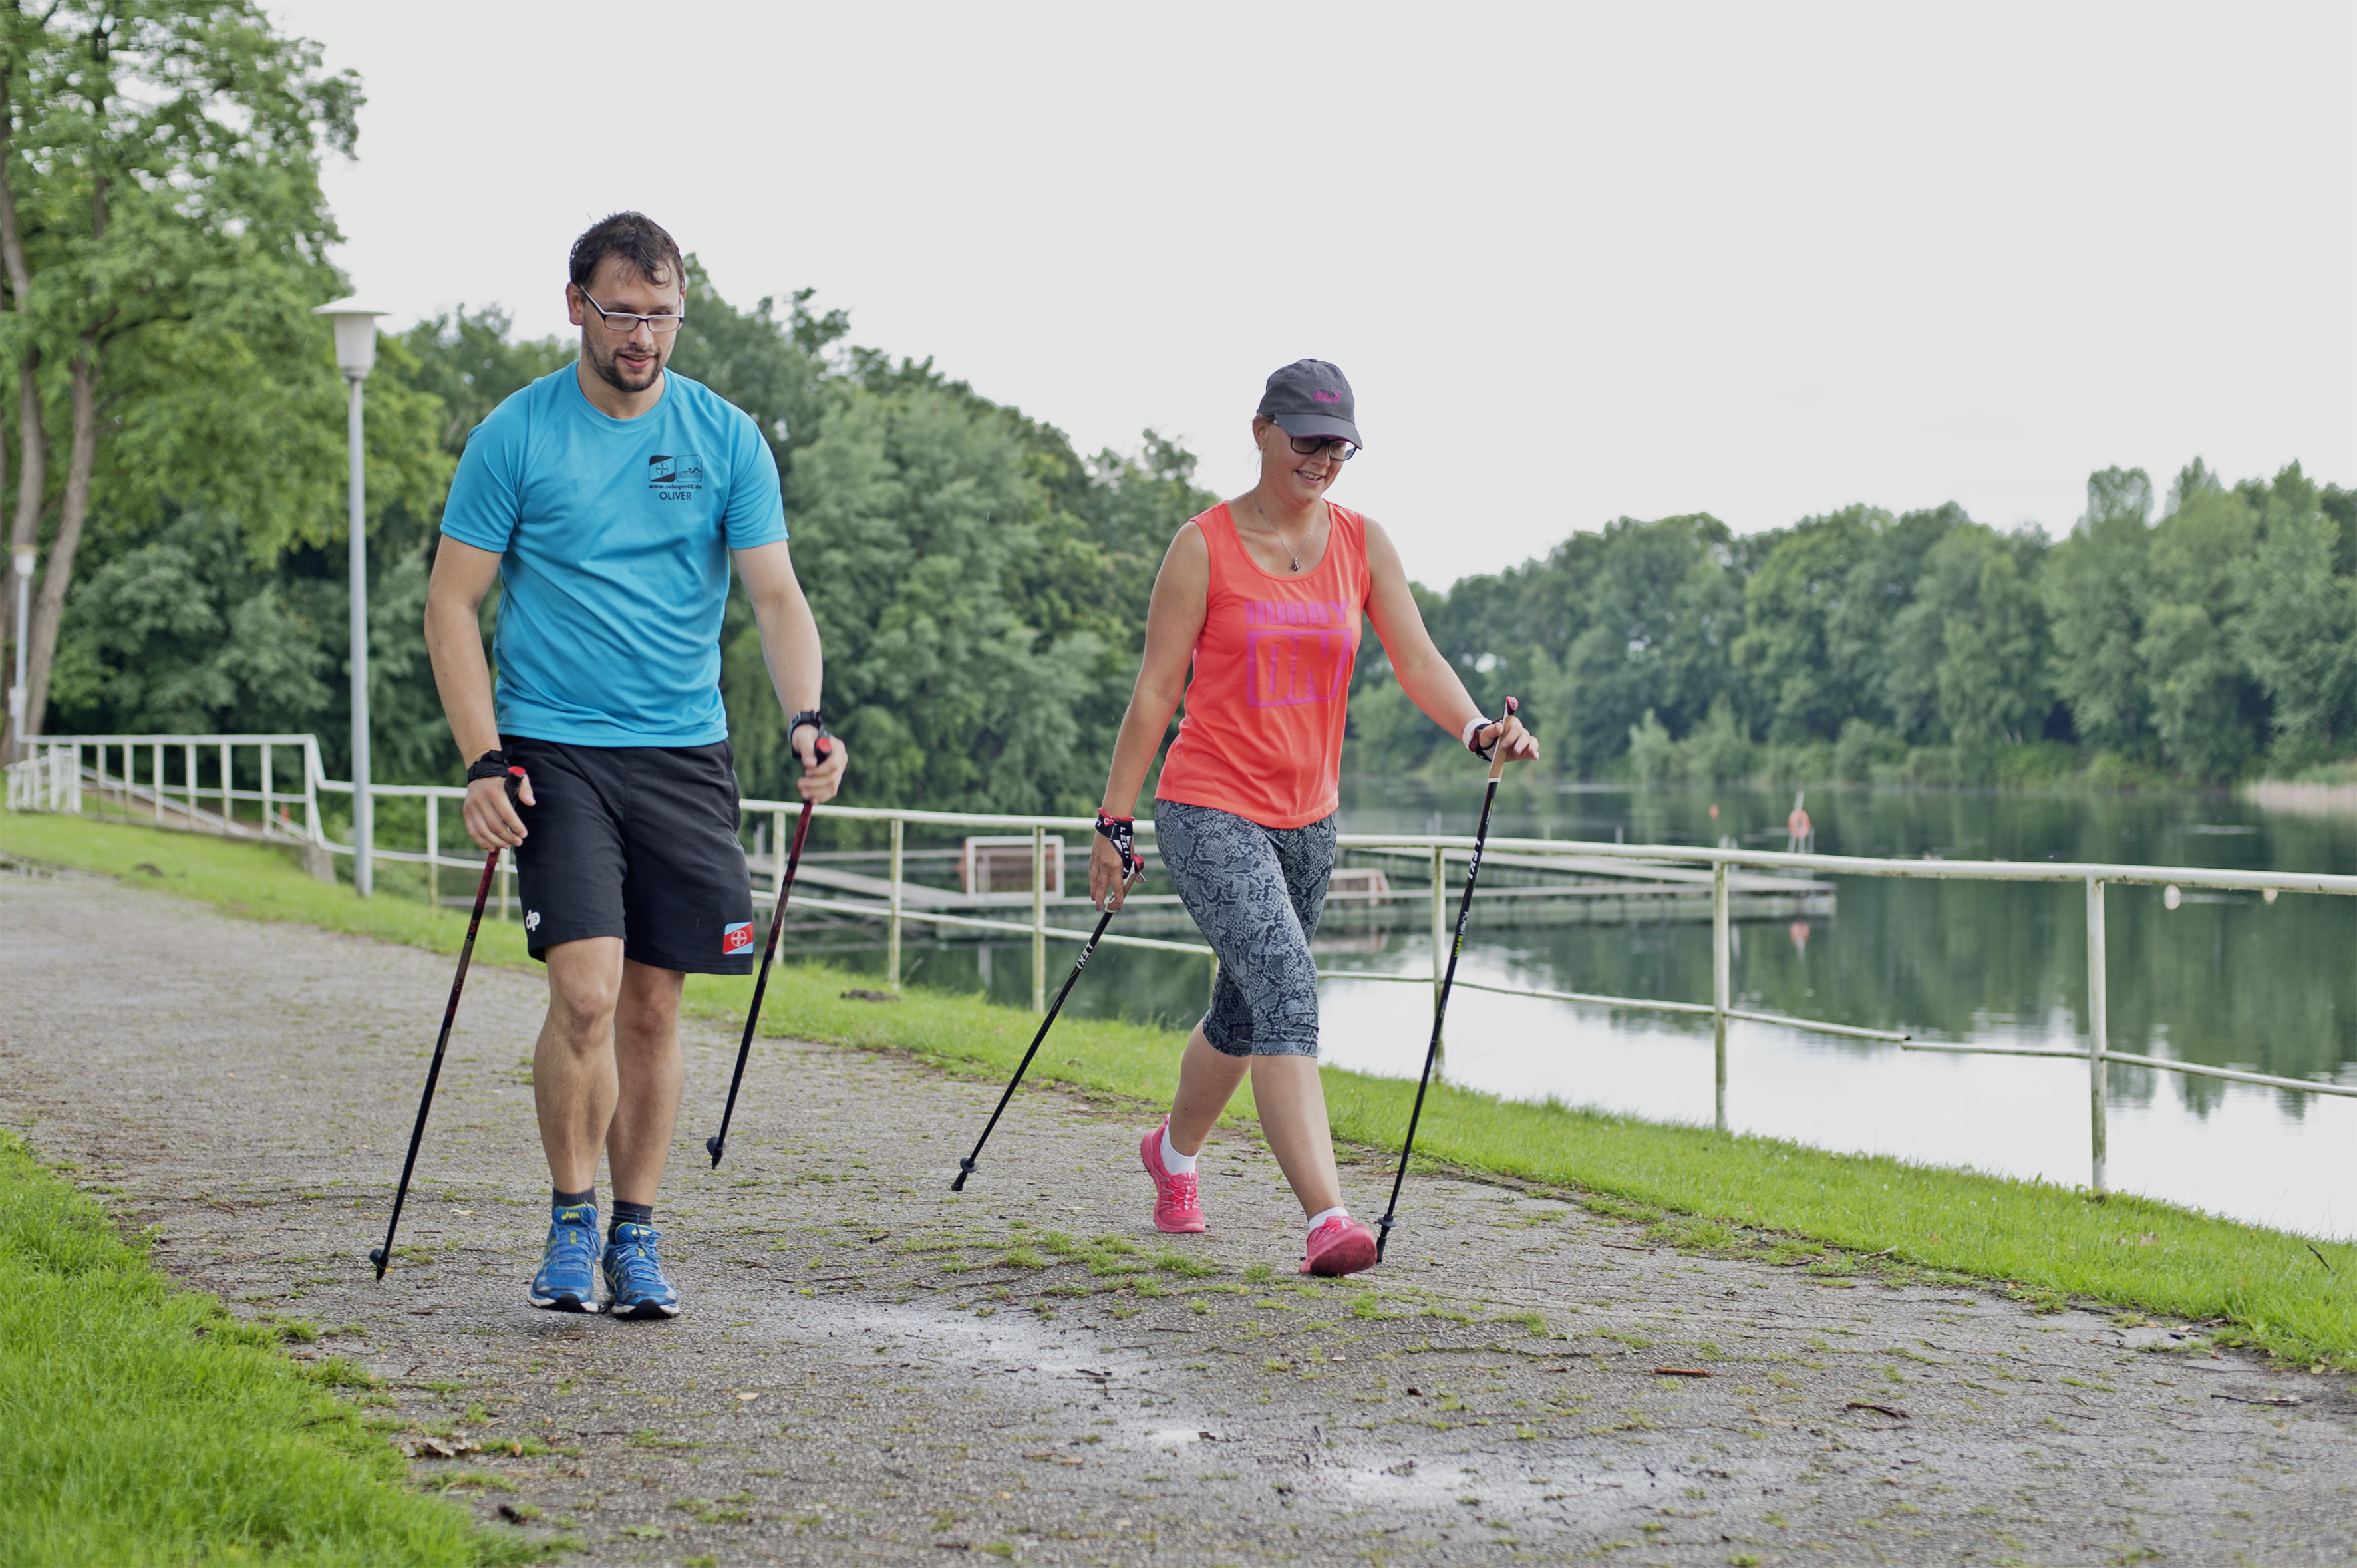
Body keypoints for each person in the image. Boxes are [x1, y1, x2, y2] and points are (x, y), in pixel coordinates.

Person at [423, 212, 846, 1319]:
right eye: (622, 312)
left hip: (684, 752)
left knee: (655, 1008)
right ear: (577, 305)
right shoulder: (515, 436)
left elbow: (774, 596)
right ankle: (570, 1218)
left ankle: (636, 1235)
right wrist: (482, 759)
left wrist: (805, 716)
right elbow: (452, 605)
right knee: (587, 995)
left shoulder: (726, 438)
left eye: (662, 314)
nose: (643, 336)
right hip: (554, 750)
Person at [1087, 359, 1536, 1277]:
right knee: (1289, 988)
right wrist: (1115, 819)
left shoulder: (1362, 544)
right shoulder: (1202, 546)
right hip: (1207, 804)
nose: (1324, 458)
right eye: (1307, 439)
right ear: (1261, 430)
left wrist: (1477, 729)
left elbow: (1415, 657)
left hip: (1308, 819)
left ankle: (1171, 1156)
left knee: (1246, 1010)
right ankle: (1328, 1218)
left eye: (1339, 444)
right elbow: (1155, 694)